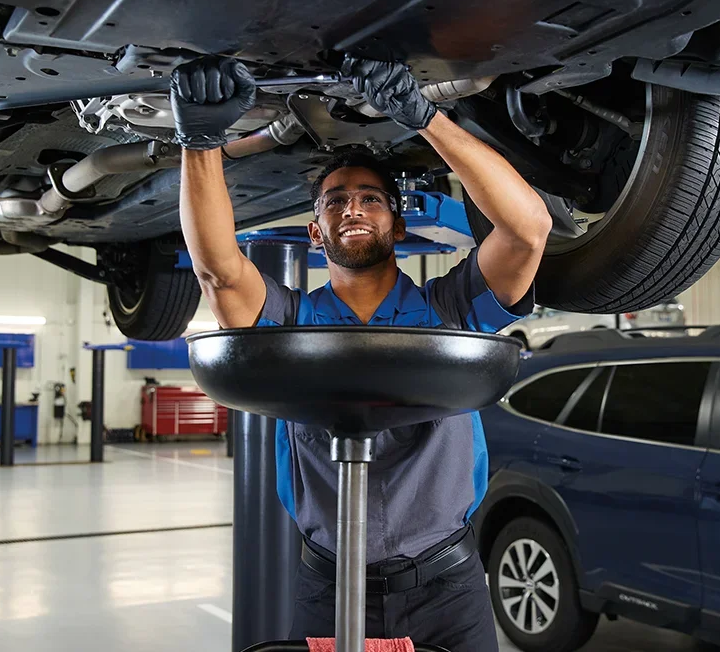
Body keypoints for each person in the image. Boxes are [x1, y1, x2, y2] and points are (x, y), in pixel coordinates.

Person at [171, 55, 552, 652]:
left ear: (398, 227)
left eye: (371, 199)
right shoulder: (291, 323)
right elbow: (219, 272)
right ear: (316, 233)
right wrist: (200, 141)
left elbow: (528, 230)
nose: (352, 208)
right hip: (326, 584)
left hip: (445, 589)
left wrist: (426, 118)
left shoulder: (451, 312)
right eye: (335, 201)